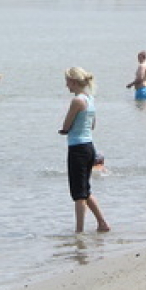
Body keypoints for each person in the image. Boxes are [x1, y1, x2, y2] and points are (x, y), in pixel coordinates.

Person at [58, 67, 110, 233]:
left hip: (77, 148)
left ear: (74, 81)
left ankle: (79, 232)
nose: (66, 86)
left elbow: (66, 126)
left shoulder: (77, 101)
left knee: (79, 194)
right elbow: (93, 125)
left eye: (67, 82)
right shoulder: (90, 99)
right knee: (85, 190)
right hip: (89, 147)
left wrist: (64, 130)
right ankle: (102, 223)